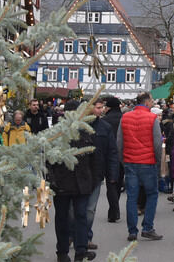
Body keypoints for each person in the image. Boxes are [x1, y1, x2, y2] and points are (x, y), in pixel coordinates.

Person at [47, 100, 95, 262]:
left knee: (81, 216)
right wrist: (51, 180)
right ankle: (62, 252)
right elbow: (47, 159)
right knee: (62, 218)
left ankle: (81, 251)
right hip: (61, 183)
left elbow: (93, 156)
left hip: (82, 182)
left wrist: (93, 178)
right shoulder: (55, 133)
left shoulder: (86, 131)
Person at [116, 92, 164, 242]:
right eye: (151, 100)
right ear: (147, 102)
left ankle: (132, 231)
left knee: (132, 196)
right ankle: (147, 227)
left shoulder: (125, 117)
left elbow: (119, 143)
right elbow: (157, 143)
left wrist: (123, 160)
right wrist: (156, 160)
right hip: (147, 162)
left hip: (130, 161)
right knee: (152, 194)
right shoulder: (152, 118)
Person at [85, 99, 119, 253]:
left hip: (97, 173)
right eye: (98, 107)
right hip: (78, 173)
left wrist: (112, 173)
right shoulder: (78, 126)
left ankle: (86, 237)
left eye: (102, 107)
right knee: (75, 209)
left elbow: (112, 151)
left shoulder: (105, 127)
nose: (101, 110)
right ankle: (74, 233)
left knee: (90, 209)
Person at [101, 96, 124, 223]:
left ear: (109, 107)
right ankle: (115, 208)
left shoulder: (104, 121)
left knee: (111, 183)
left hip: (108, 155)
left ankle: (113, 210)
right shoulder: (124, 118)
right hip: (123, 154)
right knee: (119, 181)